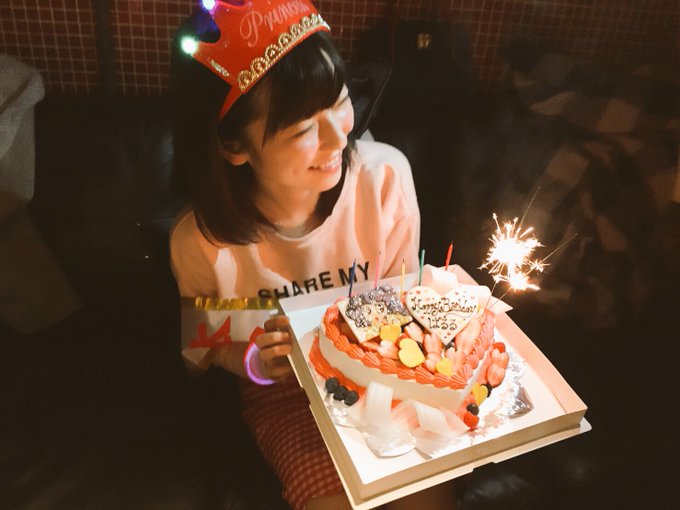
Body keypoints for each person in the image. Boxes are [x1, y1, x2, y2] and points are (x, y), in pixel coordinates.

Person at [169, 1, 453, 508]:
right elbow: (203, 338)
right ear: (234, 145)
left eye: (340, 102)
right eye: (303, 129)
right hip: (287, 397)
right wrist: (253, 360)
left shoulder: (383, 180)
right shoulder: (204, 241)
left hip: (384, 375)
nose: (339, 136)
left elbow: (405, 305)